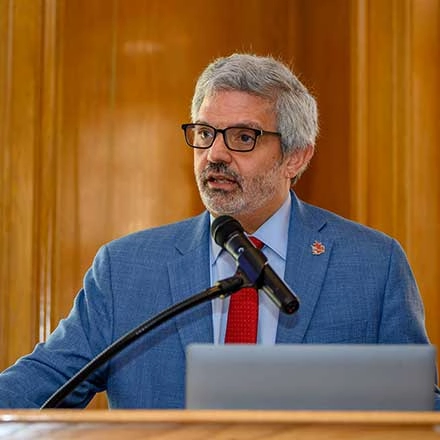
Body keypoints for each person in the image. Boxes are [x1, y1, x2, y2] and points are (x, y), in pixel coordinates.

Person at [0, 53, 438, 409]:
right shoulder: (125, 269)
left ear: (296, 158)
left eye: (243, 137)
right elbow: (47, 378)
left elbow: (420, 409)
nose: (215, 154)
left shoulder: (372, 264)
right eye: (206, 133)